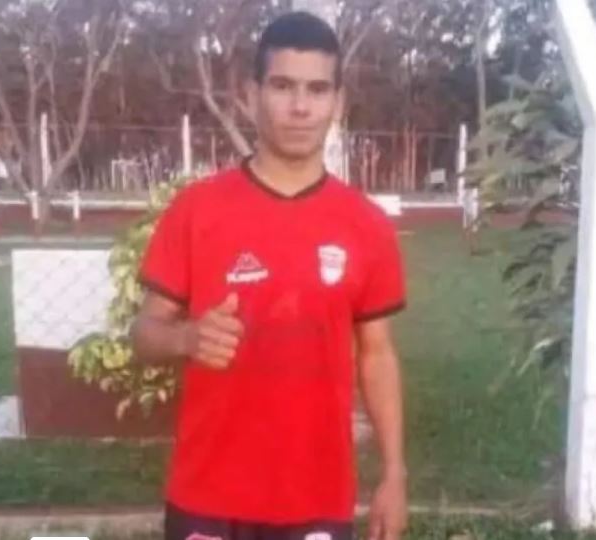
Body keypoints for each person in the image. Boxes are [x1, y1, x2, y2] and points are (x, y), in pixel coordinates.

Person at [132, 11, 408, 540]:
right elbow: (144, 334)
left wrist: (394, 473)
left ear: (338, 103)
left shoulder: (366, 225)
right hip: (207, 495)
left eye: (317, 90)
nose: (300, 107)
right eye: (282, 86)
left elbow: (377, 355)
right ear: (250, 94)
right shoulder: (197, 210)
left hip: (317, 498)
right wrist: (186, 337)